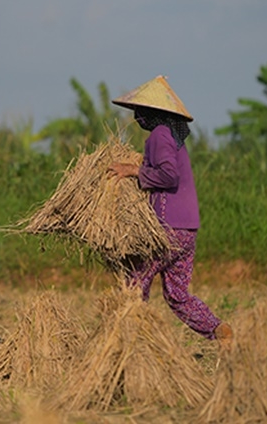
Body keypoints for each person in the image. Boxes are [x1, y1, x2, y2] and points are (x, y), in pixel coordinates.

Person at [107, 75, 233, 346]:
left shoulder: (160, 135)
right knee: (177, 295)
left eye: (140, 111)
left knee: (134, 284)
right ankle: (218, 329)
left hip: (168, 227)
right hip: (187, 229)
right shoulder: (173, 139)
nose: (137, 117)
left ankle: (133, 343)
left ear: (153, 112)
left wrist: (132, 170)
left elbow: (168, 175)